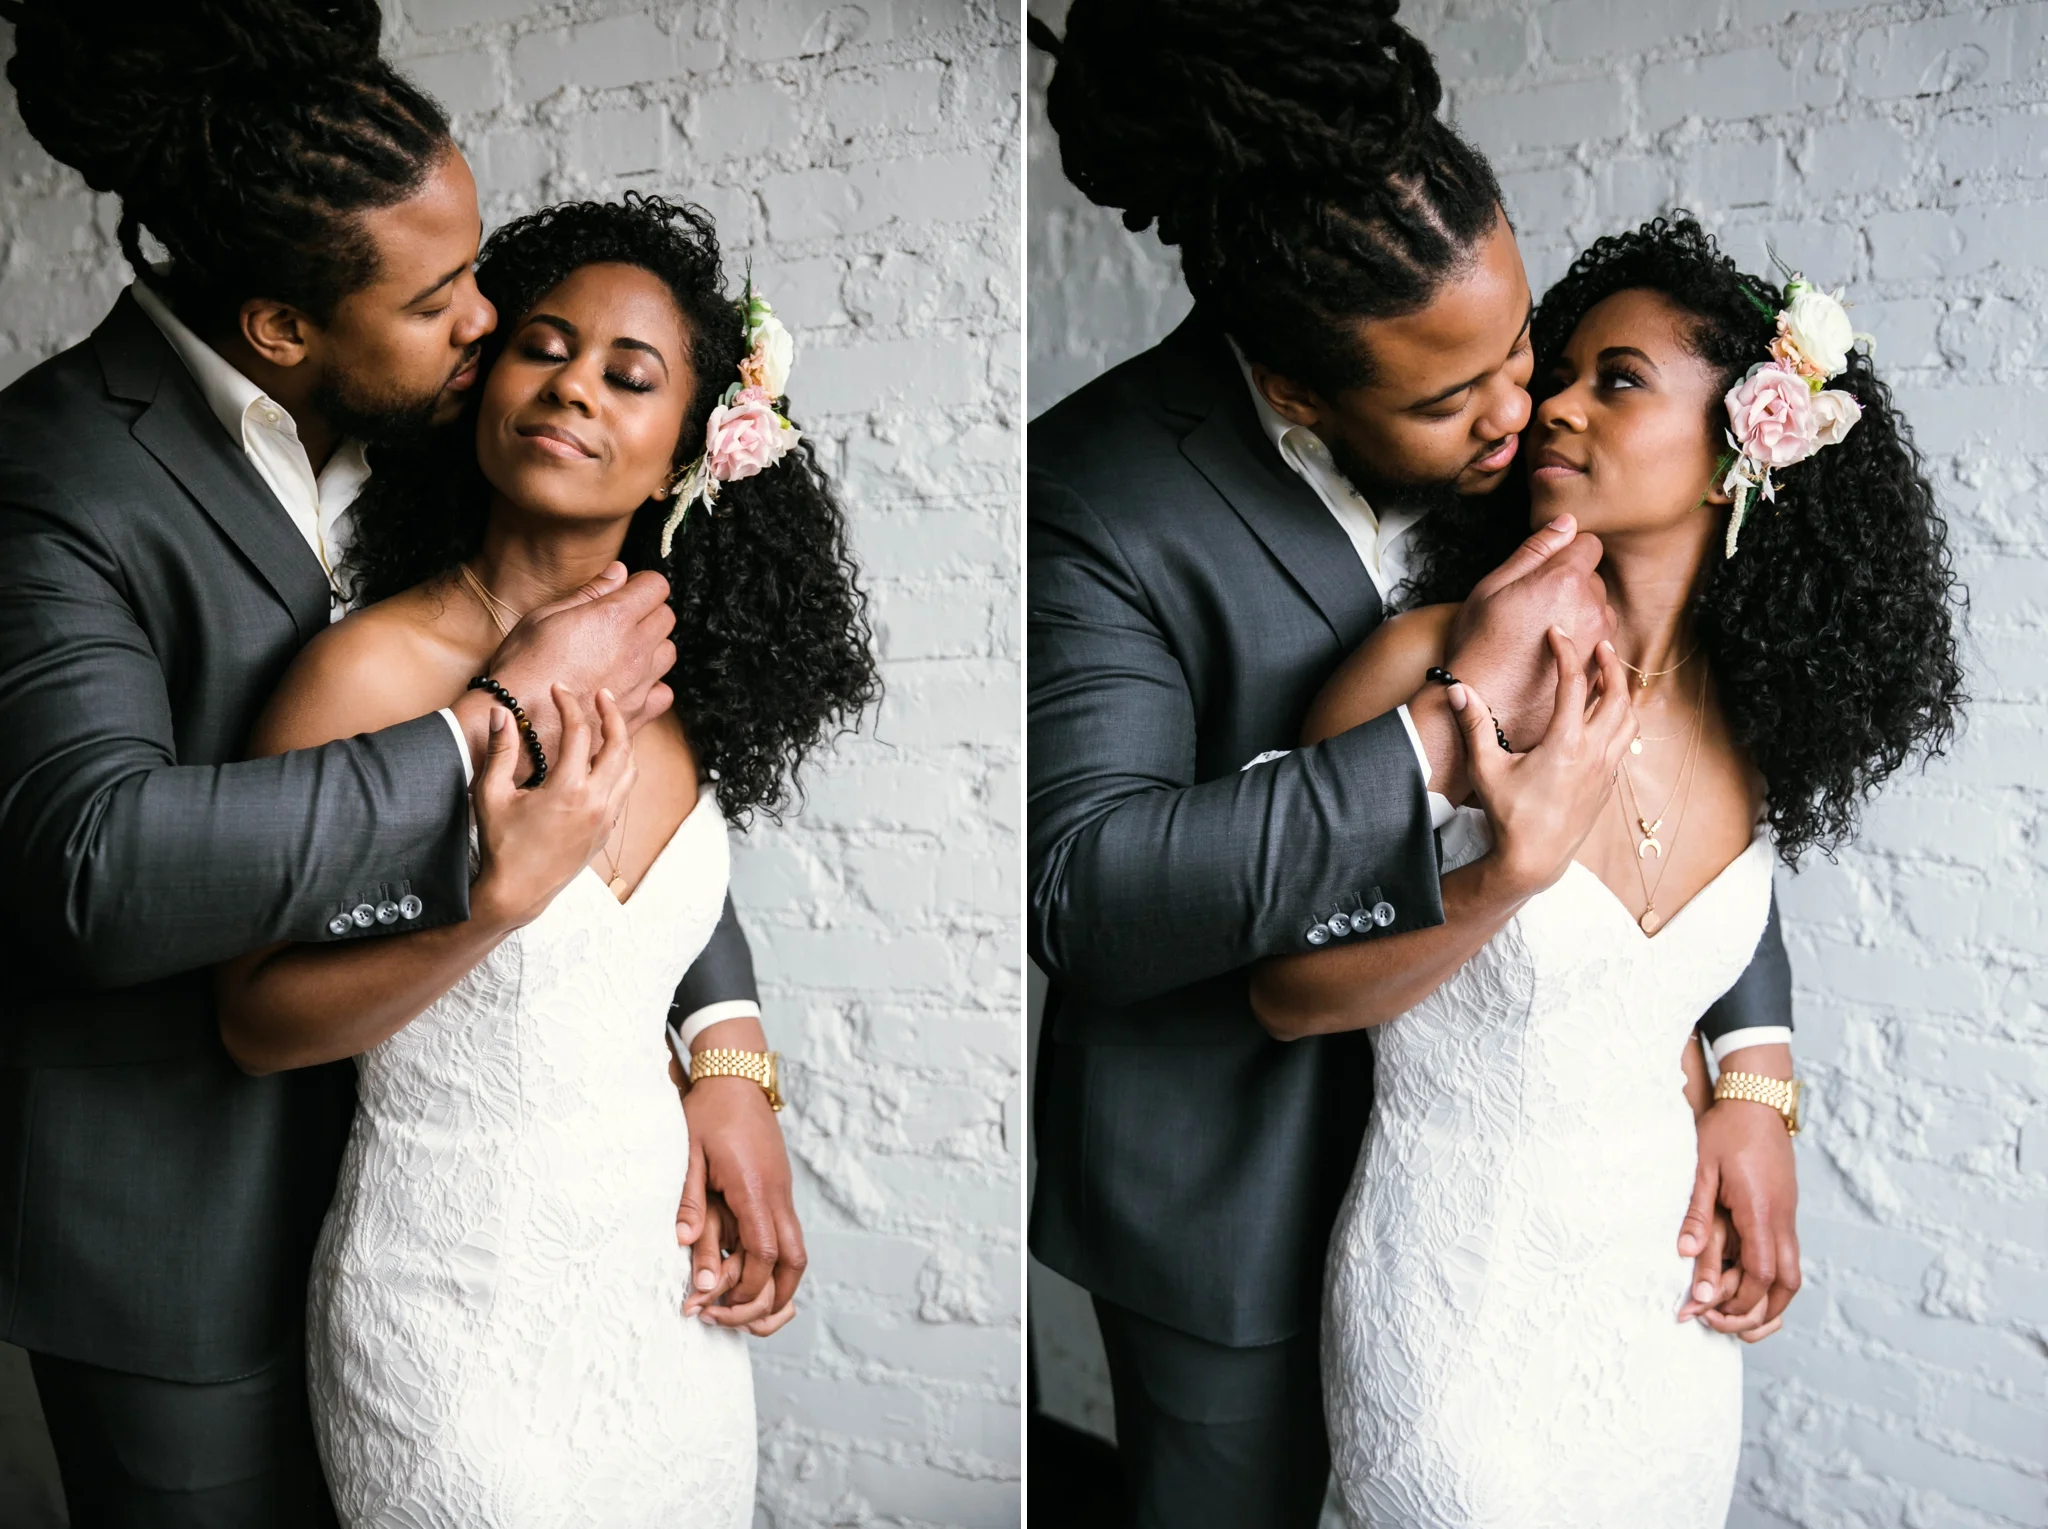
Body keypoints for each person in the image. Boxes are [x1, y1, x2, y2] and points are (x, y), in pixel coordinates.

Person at [0, 4, 787, 1519]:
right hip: (187, 1232)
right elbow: (87, 863)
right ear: (284, 327)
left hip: (508, 1225)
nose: (500, 330)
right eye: (444, 298)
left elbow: (630, 831)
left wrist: (728, 1045)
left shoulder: (454, 423)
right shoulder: (51, 477)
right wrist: (499, 719)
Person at [1026, 6, 1804, 1523]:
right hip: (1234, 1188)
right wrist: (1444, 728)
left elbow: (1686, 774)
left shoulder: (1531, 406)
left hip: (1532, 1214)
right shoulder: (1095, 492)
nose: (1525, 417)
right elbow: (1090, 887)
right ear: (1299, 389)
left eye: (1526, 349)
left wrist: (1754, 1072)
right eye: (1458, 403)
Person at [1255, 214, 1963, 1525]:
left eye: (1615, 379)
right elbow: (1287, 993)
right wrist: (1501, 878)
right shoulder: (1427, 670)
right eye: (1560, 373)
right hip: (1450, 1286)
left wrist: (1759, 1092)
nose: (1554, 407)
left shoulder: (1761, 725)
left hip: (1661, 1299)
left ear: (1747, 442)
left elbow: (1721, 948)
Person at [209, 194, 876, 1526]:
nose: (573, 386)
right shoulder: (366, 673)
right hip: (447, 1307)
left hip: (664, 1303)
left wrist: (734, 1074)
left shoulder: (685, 686)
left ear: (691, 452)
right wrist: (491, 901)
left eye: (629, 376)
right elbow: (254, 1020)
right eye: (543, 348)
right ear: (478, 384)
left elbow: (672, 931)